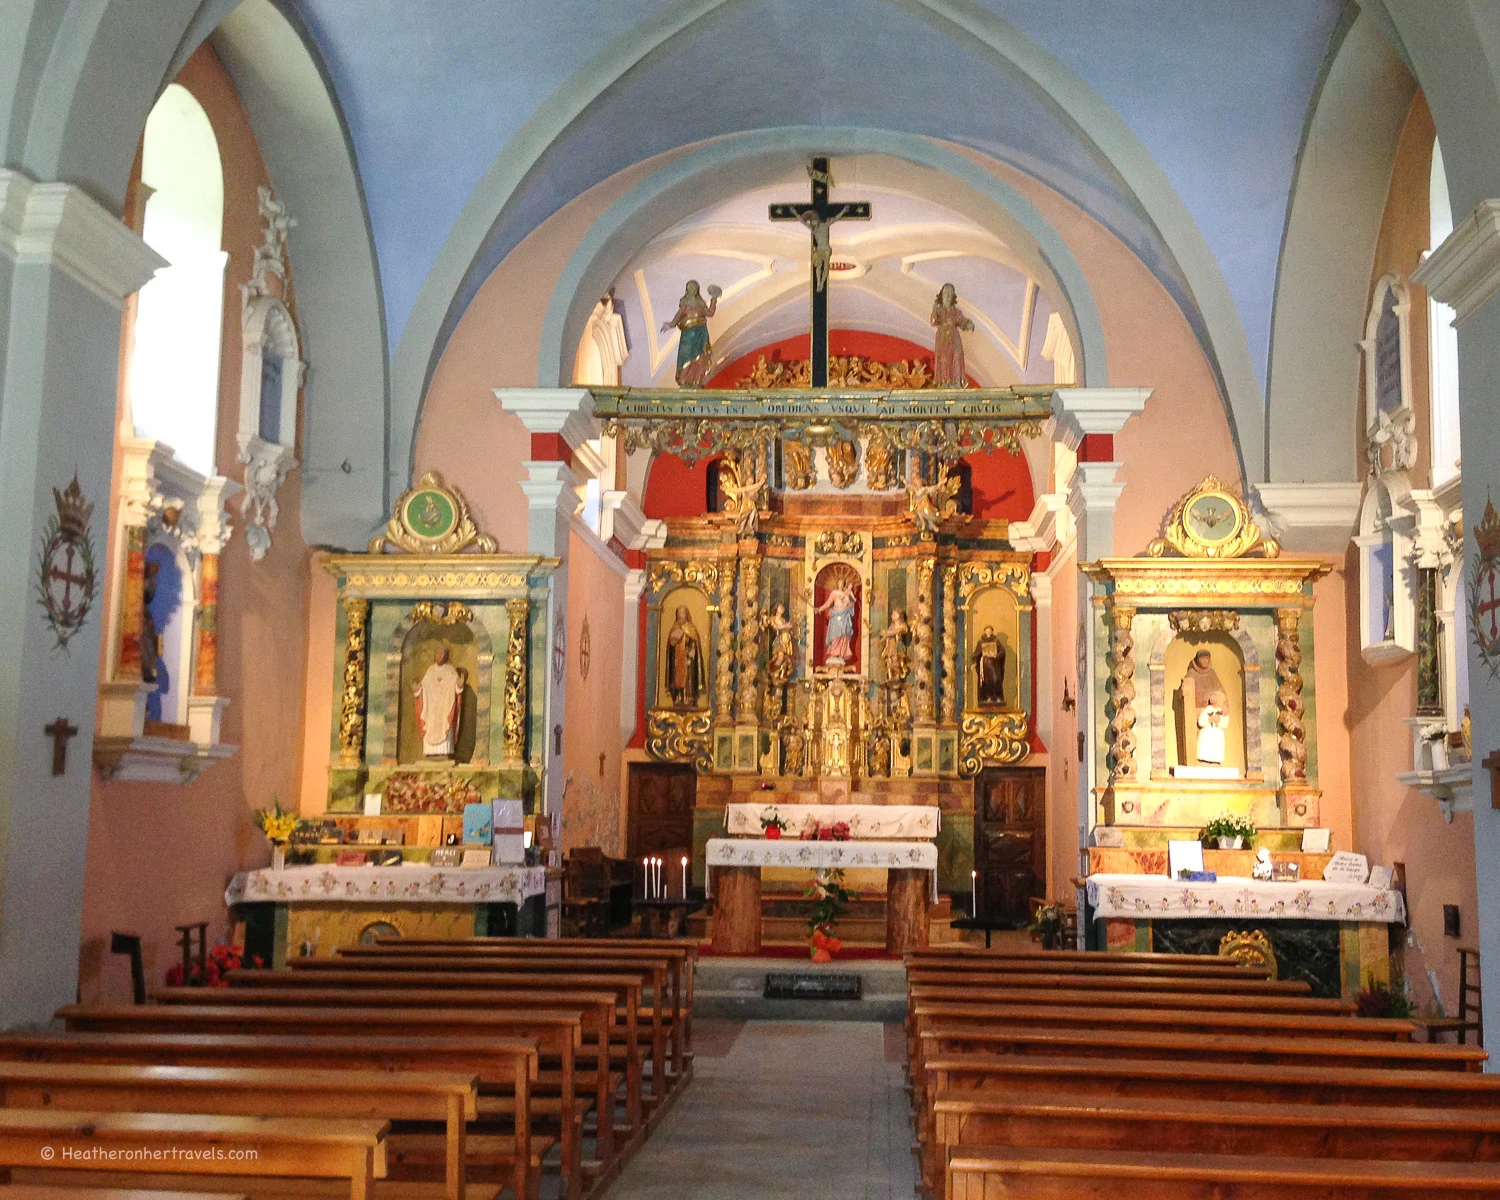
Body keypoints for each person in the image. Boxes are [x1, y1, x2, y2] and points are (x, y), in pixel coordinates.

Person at [661, 280, 720, 387]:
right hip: (687, 335)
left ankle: (697, 381)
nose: (692, 290)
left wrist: (714, 299)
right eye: (690, 288)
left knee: (701, 358)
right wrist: (671, 324)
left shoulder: (701, 304)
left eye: (694, 288)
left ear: (697, 290)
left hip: (700, 333)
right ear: (687, 290)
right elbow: (679, 315)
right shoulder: (685, 303)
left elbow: (710, 313)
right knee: (686, 356)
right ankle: (684, 381)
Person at [414, 645, 463, 757]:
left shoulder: (450, 670)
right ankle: (431, 754)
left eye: (441, 654)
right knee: (430, 727)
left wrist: (459, 686)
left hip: (445, 707)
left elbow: (456, 689)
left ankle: (444, 753)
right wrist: (418, 689)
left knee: (445, 726)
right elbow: (423, 687)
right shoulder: (430, 670)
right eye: (437, 653)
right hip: (431, 710)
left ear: (446, 656)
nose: (438, 656)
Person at [930, 283, 975, 386]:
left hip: (954, 337)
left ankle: (957, 381)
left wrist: (969, 324)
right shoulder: (939, 310)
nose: (948, 295)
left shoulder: (957, 311)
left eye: (950, 293)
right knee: (944, 358)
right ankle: (944, 381)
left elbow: (962, 322)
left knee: (957, 355)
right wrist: (934, 309)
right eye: (946, 293)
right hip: (942, 336)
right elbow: (933, 322)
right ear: (941, 295)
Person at [812, 574, 859, 665]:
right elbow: (828, 603)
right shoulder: (834, 593)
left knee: (844, 635)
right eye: (839, 583)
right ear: (837, 584)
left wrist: (850, 601)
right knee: (836, 634)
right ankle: (834, 652)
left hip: (845, 616)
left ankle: (841, 653)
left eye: (842, 583)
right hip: (836, 617)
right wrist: (819, 609)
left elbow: (853, 603)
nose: (841, 584)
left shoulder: (847, 593)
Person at [665, 606, 705, 707]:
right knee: (677, 679)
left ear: (686, 615)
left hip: (688, 659)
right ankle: (678, 697)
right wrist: (674, 639)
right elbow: (671, 645)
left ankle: (689, 697)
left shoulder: (691, 629)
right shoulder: (674, 628)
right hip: (678, 659)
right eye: (679, 614)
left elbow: (694, 643)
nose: (681, 617)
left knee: (689, 678)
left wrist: (692, 651)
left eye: (682, 614)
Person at [972, 624, 1006, 706]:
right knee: (986, 681)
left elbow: (1002, 651)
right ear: (985, 631)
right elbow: (976, 653)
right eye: (987, 630)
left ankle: (997, 697)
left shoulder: (996, 641)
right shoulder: (981, 642)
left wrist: (996, 656)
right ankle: (987, 697)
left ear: (992, 631)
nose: (988, 632)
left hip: (994, 665)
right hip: (985, 665)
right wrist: (974, 662)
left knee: (996, 679)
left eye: (990, 630)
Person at [1196, 691, 1228, 764]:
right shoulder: (1207, 709)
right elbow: (1201, 720)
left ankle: (1215, 763)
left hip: (1217, 737)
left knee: (1216, 748)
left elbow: (1225, 723)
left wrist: (1219, 721)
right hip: (1207, 735)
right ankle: (1204, 761)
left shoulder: (1223, 711)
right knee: (1205, 748)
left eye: (1216, 696)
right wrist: (1209, 720)